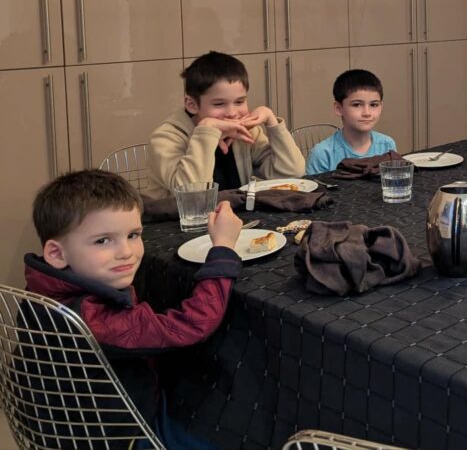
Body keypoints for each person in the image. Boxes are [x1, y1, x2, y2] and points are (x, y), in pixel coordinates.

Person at [24, 169, 243, 449]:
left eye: (133, 234)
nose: (126, 252)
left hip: (75, 418)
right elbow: (191, 325)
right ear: (56, 253)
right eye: (103, 240)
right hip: (121, 435)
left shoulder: (44, 286)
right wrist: (223, 247)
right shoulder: (91, 319)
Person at [148, 51, 305, 200]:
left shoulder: (245, 131)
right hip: (176, 219)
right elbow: (192, 196)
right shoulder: (165, 138)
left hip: (234, 215)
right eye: (219, 104)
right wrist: (206, 130)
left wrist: (271, 120)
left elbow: (292, 172)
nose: (232, 113)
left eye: (240, 101)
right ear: (192, 105)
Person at [305, 69, 397, 174]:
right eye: (357, 105)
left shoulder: (387, 145)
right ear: (338, 108)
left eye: (374, 105)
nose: (367, 113)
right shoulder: (323, 154)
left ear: (381, 106)